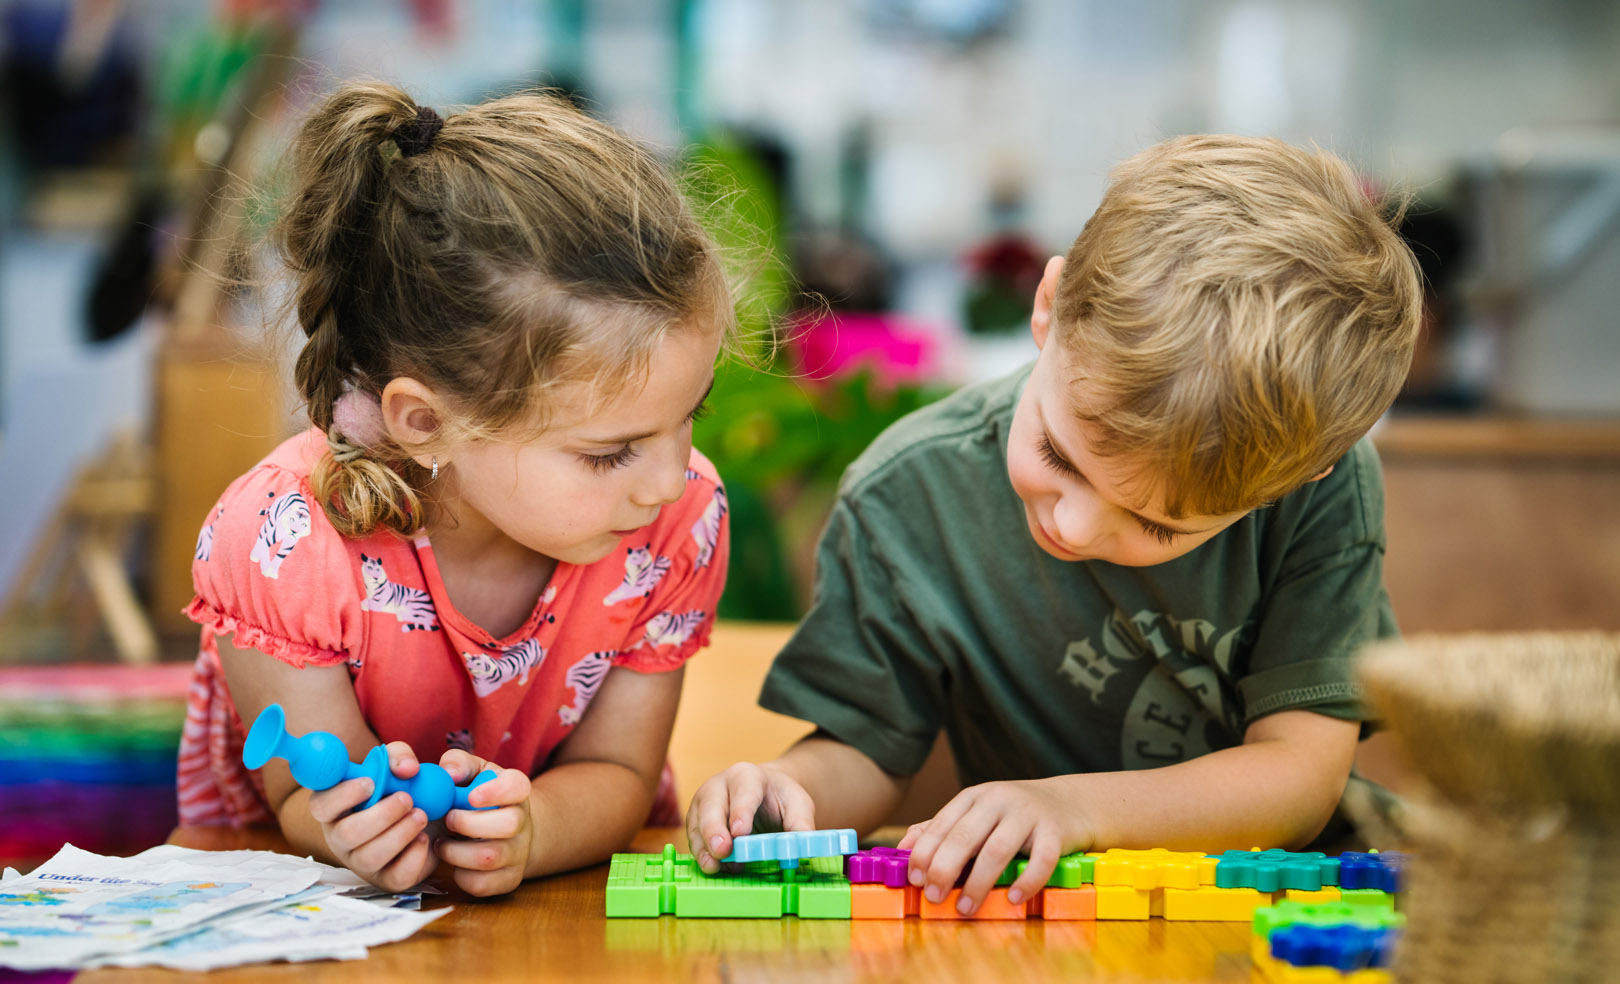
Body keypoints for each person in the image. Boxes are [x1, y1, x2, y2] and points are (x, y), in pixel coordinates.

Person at [687, 135, 1421, 917]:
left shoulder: (1320, 492)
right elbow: (866, 748)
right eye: (1057, 455)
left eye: (1156, 524)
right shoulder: (910, 491)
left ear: (1300, 477)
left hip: (1283, 907)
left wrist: (1074, 811)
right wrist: (785, 795)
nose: (1072, 525)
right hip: (1048, 925)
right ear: (1049, 307)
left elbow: (1298, 779)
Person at [182, 82, 732, 897]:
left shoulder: (676, 521)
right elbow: (297, 793)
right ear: (427, 423)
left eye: (690, 413)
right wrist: (349, 835)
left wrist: (536, 831)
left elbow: (618, 768)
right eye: (611, 453)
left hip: (557, 920)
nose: (665, 479)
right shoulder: (283, 541)